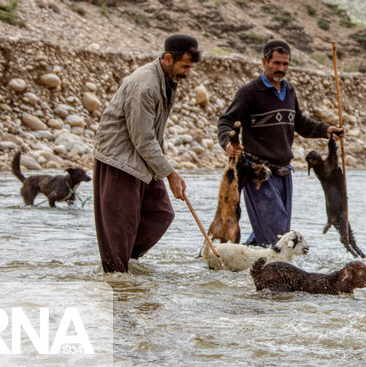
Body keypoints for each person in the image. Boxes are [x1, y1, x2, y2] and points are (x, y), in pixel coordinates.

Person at [216, 39, 344, 246]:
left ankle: (240, 267)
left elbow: (300, 122)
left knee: (276, 231)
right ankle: (274, 273)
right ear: (264, 62)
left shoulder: (290, 91)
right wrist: (227, 143)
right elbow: (226, 120)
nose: (281, 69)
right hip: (259, 173)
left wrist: (326, 130)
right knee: (277, 235)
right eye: (276, 63)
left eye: (285, 64)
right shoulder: (250, 92)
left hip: (284, 172)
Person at [92, 34, 199, 273]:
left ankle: (123, 263)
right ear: (168, 59)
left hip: (142, 160)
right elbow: (142, 138)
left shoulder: (167, 80)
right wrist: (170, 173)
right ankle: (116, 275)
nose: (188, 74)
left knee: (161, 212)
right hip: (119, 160)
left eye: (191, 68)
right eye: (185, 67)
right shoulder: (146, 84)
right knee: (122, 224)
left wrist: (162, 169)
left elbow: (151, 134)